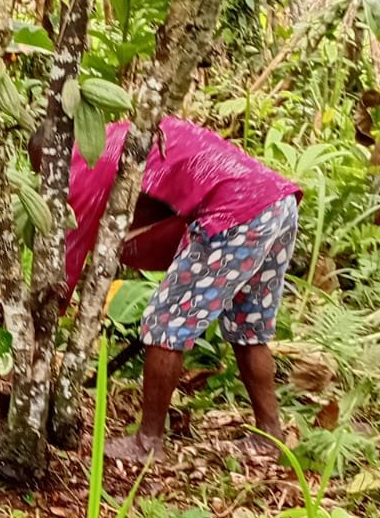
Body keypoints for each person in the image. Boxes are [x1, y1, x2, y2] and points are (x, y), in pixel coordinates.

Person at [62, 116, 301, 464]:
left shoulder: (85, 165)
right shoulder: (130, 130)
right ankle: (269, 435)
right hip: (275, 203)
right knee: (249, 327)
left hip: (234, 212)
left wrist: (43, 321)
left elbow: (65, 262)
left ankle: (148, 442)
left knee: (166, 324)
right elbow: (165, 208)